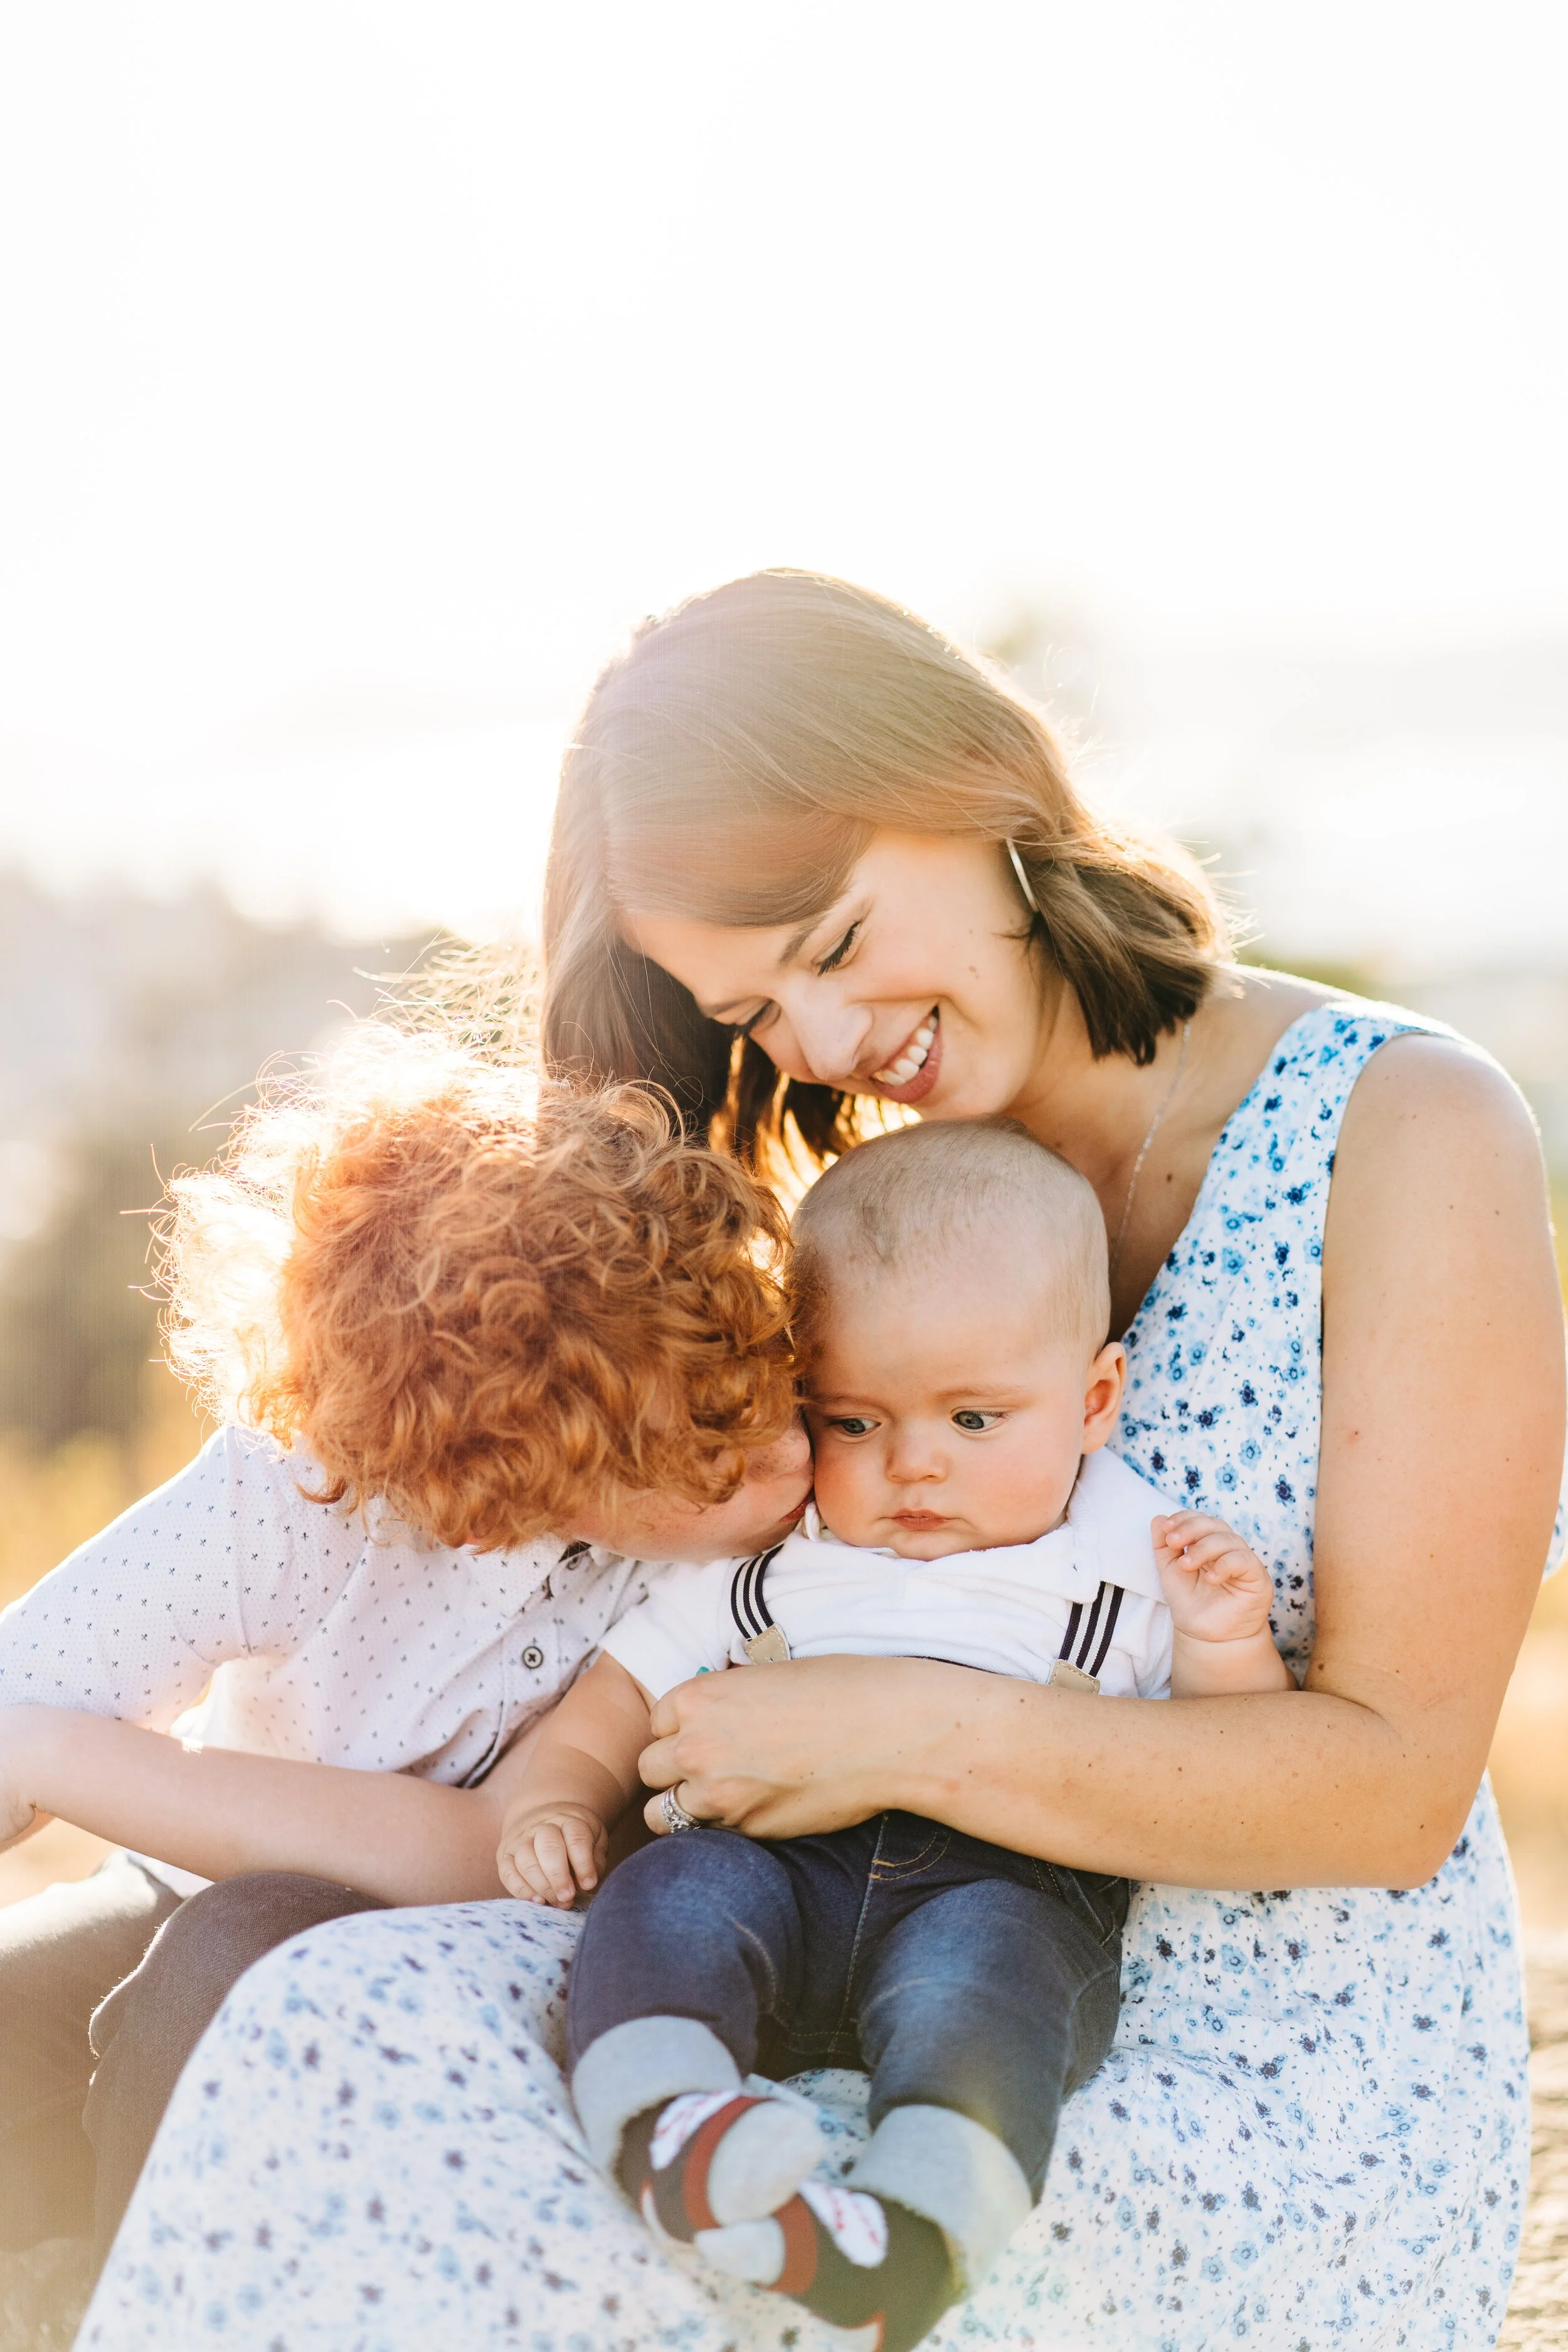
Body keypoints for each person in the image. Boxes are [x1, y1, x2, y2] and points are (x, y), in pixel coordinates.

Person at [82, 571, 1565, 2351]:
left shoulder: (1402, 1125)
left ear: (966, 773)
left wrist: (895, 1726)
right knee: (286, 1986)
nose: (829, 1042)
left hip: (1249, 2061)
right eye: (757, 1009)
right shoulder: (869, 1182)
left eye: (838, 941)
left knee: (380, 2102)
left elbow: (1391, 1787)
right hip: (834, 1954)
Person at [0, 1031, 810, 2280]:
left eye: (755, 1369)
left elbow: (484, 1852)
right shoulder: (306, 1495)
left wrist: (60, 1755)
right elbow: (26, 1687)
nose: (784, 1446)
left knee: (234, 1961)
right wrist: (37, 1745)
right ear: (510, 1489)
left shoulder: (736, 1567)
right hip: (185, 1877)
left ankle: (129, 2291)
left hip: (489, 1936)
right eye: (707, 1441)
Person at [500, 1118, 1290, 2351]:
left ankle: (908, 2239)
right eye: (855, 1423)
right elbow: (612, 1692)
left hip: (997, 1887)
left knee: (986, 1985)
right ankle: (666, 2127)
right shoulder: (775, 1563)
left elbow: (1233, 1775)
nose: (914, 1466)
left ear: (1091, 1402)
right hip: (773, 1872)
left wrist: (1227, 1641)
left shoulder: (1126, 1563)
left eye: (974, 1421)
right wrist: (556, 1794)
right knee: (668, 1897)